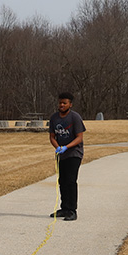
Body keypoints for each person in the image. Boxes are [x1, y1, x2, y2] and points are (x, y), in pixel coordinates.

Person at [49, 92, 86, 221]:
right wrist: (57, 147)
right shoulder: (54, 118)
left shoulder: (75, 117)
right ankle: (64, 208)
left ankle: (72, 210)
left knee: (70, 181)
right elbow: (52, 136)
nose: (62, 105)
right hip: (61, 155)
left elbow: (79, 137)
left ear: (70, 104)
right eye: (60, 103)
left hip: (74, 153)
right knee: (62, 181)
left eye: (65, 103)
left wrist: (67, 147)